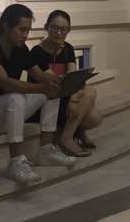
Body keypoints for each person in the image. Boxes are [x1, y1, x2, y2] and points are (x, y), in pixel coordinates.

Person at [0, 4, 77, 186]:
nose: (26, 35)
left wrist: (59, 82)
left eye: (28, 30)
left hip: (8, 113)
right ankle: (16, 161)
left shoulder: (20, 49)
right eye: (22, 29)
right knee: (16, 96)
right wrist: (41, 87)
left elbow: (40, 75)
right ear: (6, 27)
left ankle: (45, 150)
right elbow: (6, 83)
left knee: (51, 92)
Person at [30, 10, 103, 156]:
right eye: (54, 28)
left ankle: (72, 133)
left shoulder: (67, 48)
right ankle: (68, 138)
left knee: (93, 111)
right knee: (88, 98)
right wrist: (72, 96)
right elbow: (54, 82)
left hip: (64, 97)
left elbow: (72, 76)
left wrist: (73, 98)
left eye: (64, 29)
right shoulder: (36, 52)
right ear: (46, 27)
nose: (59, 33)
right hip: (47, 101)